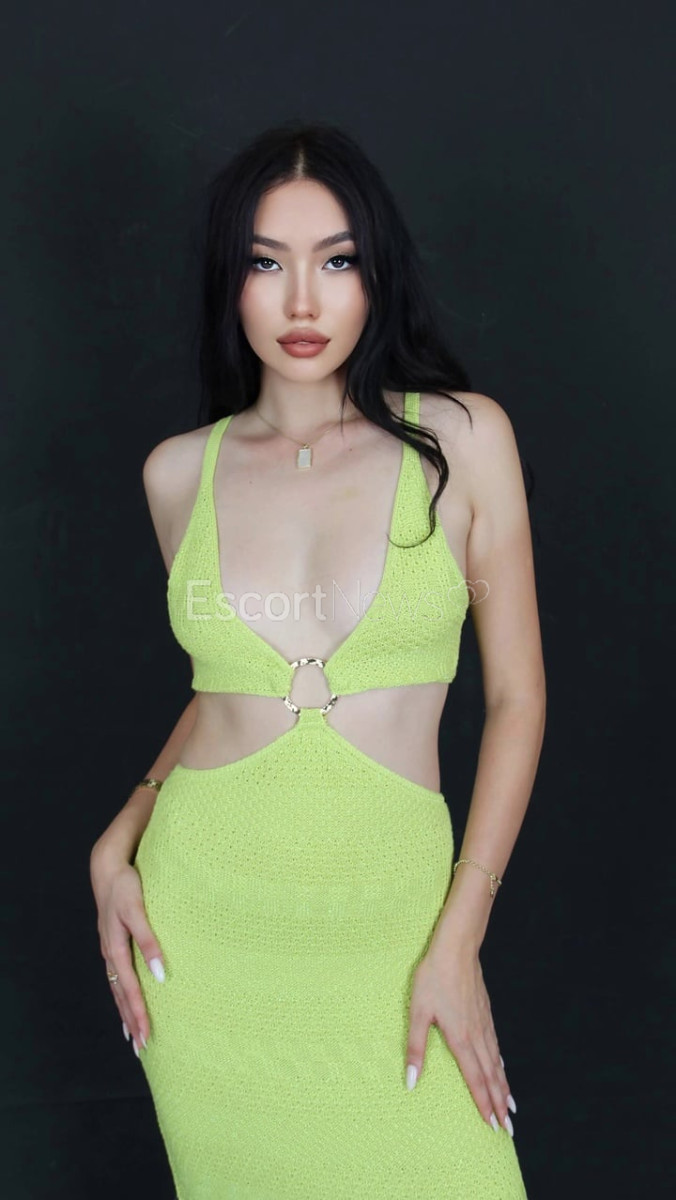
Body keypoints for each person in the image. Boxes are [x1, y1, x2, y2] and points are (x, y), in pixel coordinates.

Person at [89, 120, 545, 1198]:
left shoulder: (462, 440)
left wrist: (459, 935)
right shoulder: (176, 475)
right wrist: (123, 832)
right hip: (206, 936)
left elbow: (518, 699)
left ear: (377, 274)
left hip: (396, 933)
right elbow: (225, 690)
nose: (303, 301)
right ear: (230, 280)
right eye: (267, 263)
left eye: (336, 261)